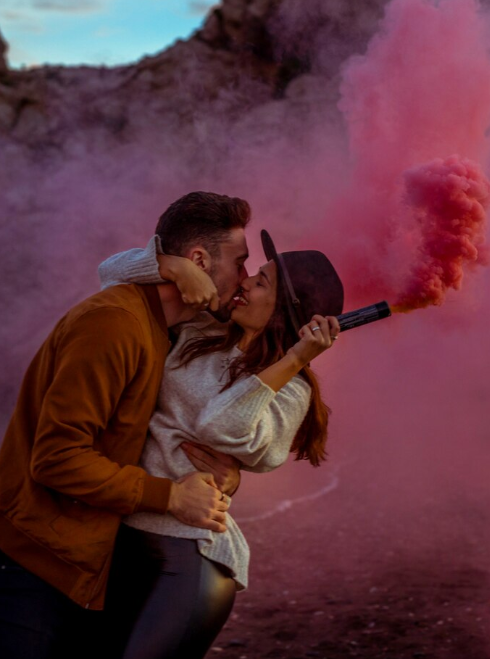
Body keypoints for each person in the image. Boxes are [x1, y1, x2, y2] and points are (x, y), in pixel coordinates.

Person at [0, 192, 257, 659]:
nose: (243, 278)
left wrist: (220, 474)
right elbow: (57, 458)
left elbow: (150, 432)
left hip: (85, 560)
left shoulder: (166, 329)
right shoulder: (114, 323)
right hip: (32, 566)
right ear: (199, 260)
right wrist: (172, 496)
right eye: (239, 263)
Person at [98, 229, 344, 659]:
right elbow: (110, 273)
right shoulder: (201, 330)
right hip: (124, 537)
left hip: (191, 558)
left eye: (262, 282)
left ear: (284, 310)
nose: (246, 281)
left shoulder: (290, 391)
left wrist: (294, 360)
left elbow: (218, 427)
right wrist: (172, 265)